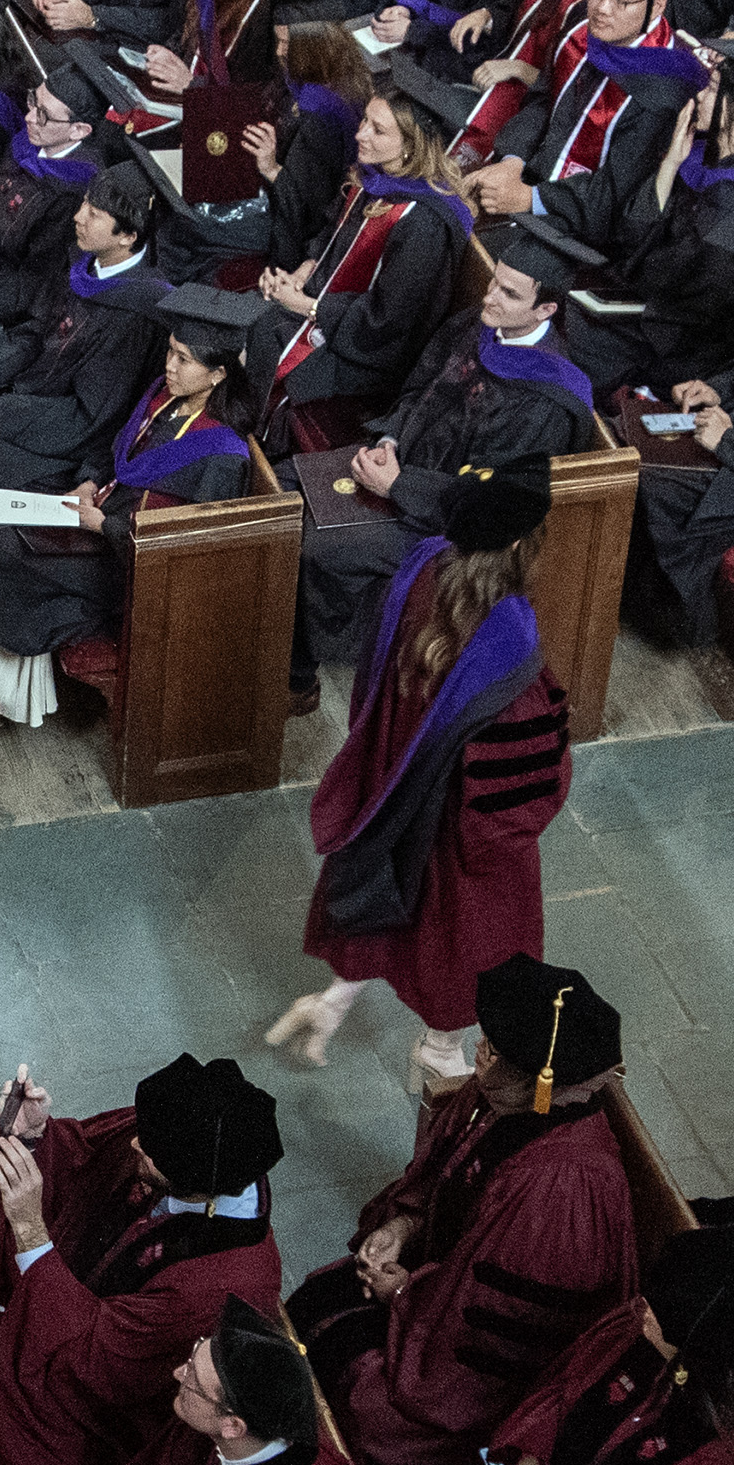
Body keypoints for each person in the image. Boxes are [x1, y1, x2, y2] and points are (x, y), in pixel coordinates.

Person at [279, 459, 567, 1079]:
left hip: (395, 786)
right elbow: (521, 792)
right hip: (461, 829)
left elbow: (372, 695)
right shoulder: (508, 641)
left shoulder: (420, 570)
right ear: (521, 544)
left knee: (390, 894)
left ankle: (333, 1001)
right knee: (469, 933)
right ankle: (439, 1051)